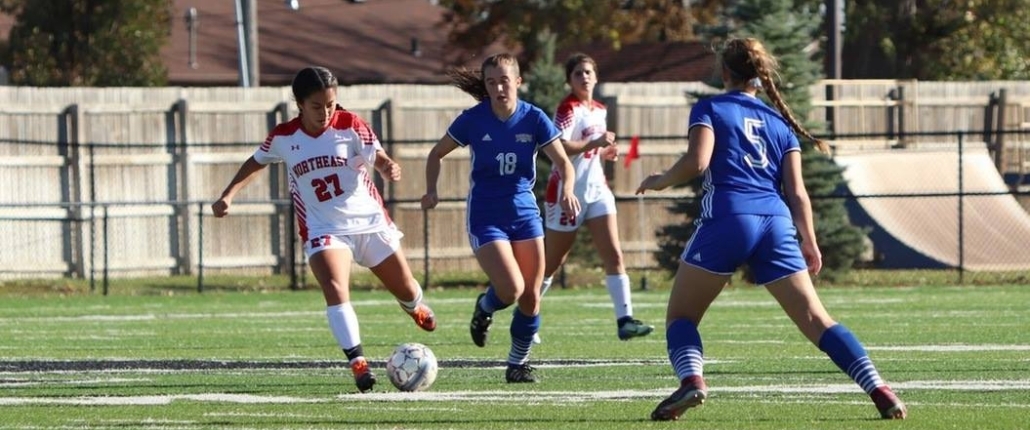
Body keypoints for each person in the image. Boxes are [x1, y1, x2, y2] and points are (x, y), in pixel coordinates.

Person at [636, 38, 906, 421]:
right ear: (758, 76)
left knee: (681, 318)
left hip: (729, 218)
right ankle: (879, 388)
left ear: (724, 72)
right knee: (817, 320)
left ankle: (692, 381)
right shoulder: (780, 121)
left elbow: (698, 162)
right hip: (776, 224)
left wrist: (662, 180)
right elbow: (797, 192)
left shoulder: (711, 107)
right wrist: (809, 241)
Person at [211, 66, 436, 394]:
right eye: (317, 106)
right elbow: (256, 161)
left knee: (405, 287)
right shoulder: (284, 137)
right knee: (334, 285)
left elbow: (379, 156)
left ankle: (413, 305)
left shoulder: (350, 125)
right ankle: (357, 361)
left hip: (370, 223)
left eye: (331, 104)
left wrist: (387, 166)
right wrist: (228, 194)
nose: (326, 112)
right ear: (300, 104)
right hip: (323, 228)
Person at [421, 53, 581, 383]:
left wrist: (568, 190)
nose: (498, 88)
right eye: (491, 82)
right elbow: (436, 153)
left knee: (531, 295)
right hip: (486, 216)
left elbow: (564, 163)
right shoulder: (473, 120)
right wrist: (431, 190)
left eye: (504, 80)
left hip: (524, 214)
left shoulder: (533, 119)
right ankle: (485, 306)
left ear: (518, 82)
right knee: (510, 289)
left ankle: (516, 365)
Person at [534, 53, 654, 344]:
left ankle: (625, 321)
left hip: (597, 190)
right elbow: (559, 146)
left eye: (588, 72)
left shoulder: (599, 109)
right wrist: (594, 143)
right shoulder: (567, 109)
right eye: (577, 73)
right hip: (567, 193)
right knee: (552, 263)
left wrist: (603, 152)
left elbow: (591, 150)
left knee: (614, 254)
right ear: (569, 80)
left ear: (596, 77)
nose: (584, 77)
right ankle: (528, 316)